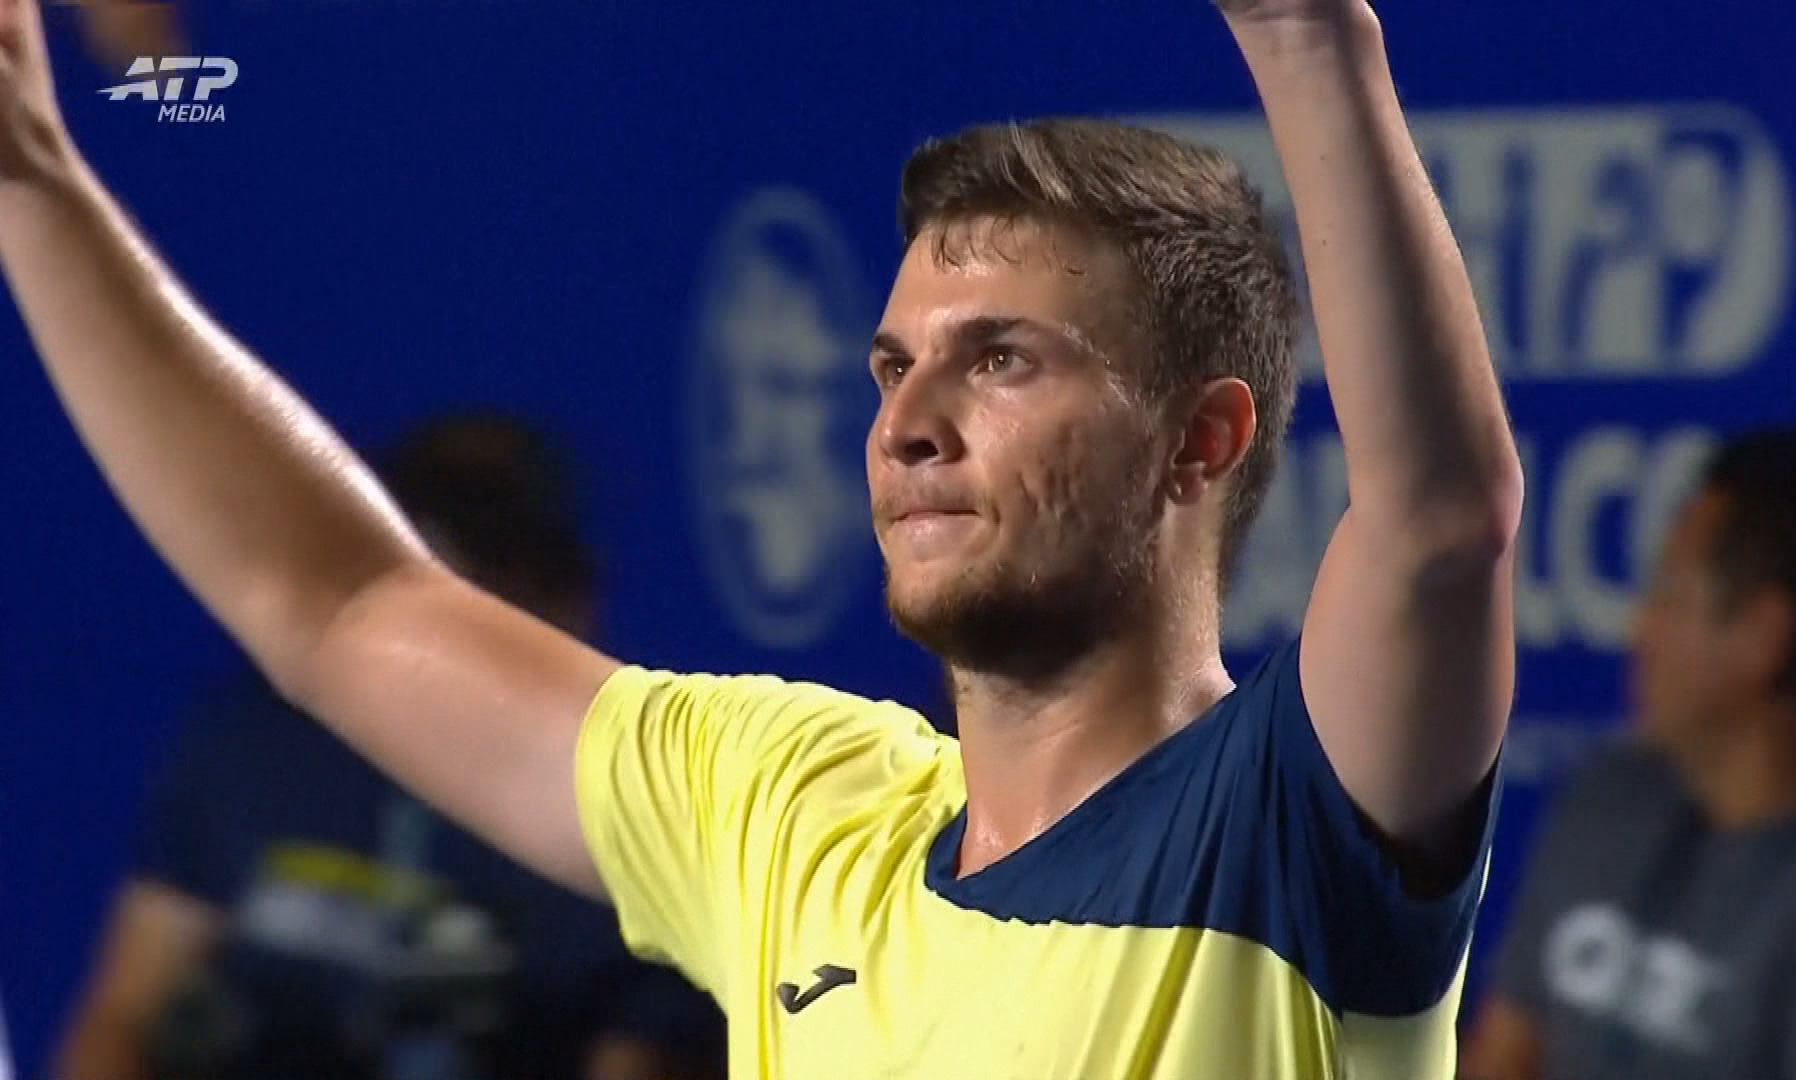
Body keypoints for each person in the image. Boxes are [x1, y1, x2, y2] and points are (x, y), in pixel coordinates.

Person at [0, 0, 1523, 1074]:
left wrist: (1304, 35)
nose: (908, 422)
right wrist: (30, 179)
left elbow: (1441, 523)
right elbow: (335, 603)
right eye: (892, 368)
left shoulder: (1289, 828)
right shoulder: (793, 811)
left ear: (1202, 441)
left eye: (1001, 360)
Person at [51, 414, 727, 1080]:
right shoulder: (250, 745)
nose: (450, 608)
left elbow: (636, 1056)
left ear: (567, 599)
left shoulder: (631, 813)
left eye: (485, 567)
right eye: (417, 564)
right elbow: (122, 1017)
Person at [1461, 428, 1796, 1080]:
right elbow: (1503, 1055)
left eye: (1671, 594)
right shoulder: (1611, 800)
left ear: (1765, 637)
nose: (1641, 629)